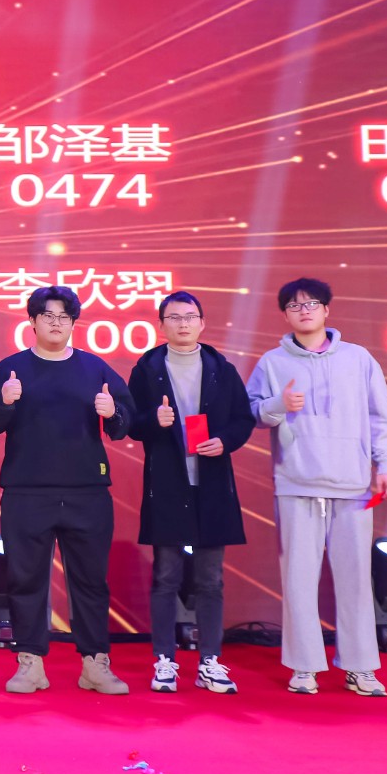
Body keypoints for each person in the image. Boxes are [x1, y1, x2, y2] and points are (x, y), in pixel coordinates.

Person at [0, 285, 135, 695]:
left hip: (87, 491)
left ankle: (95, 663)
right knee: (25, 579)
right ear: (32, 321)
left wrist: (113, 412)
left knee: (91, 581)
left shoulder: (94, 368)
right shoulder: (11, 369)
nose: (56, 323)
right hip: (27, 492)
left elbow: (126, 422)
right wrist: (5, 402)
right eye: (48, 315)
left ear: (74, 322)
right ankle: (30, 662)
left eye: (64, 316)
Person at [246, 277, 387, 697]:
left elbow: (380, 415)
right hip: (296, 482)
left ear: (327, 310)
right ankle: (304, 666)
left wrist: (385, 464)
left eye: (312, 303)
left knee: (356, 580)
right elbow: (251, 412)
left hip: (353, 483)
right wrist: (279, 405)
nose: (304, 311)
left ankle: (360, 667)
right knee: (298, 579)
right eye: (295, 306)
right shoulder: (273, 362)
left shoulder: (358, 358)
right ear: (285, 315)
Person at [126, 291, 255, 694]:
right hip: (168, 485)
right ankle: (164, 660)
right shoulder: (147, 369)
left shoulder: (221, 369)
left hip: (212, 484)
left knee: (210, 580)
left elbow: (243, 419)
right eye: (174, 318)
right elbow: (130, 423)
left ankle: (210, 661)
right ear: (161, 325)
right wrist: (154, 419)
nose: (182, 324)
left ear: (202, 323)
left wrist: (225, 441)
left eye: (189, 317)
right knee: (165, 576)